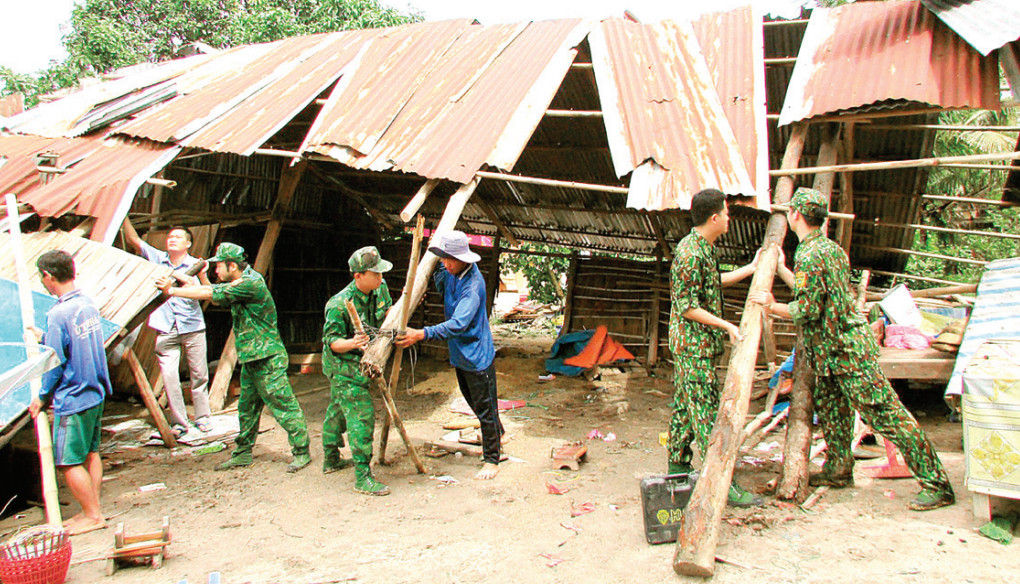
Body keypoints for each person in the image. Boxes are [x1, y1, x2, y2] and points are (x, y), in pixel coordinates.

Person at [750, 187, 955, 511]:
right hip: (831, 356)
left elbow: (807, 309)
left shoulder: (811, 254)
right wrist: (783, 270)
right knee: (834, 414)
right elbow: (813, 289)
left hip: (847, 354)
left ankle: (937, 484)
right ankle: (838, 470)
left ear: (795, 216)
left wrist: (772, 306)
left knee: (888, 416)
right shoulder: (830, 250)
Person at [157, 243, 311, 473]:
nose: (216, 270)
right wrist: (198, 278)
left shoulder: (250, 283)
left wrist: (172, 291)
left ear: (232, 265)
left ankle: (302, 452)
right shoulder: (240, 282)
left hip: (267, 358)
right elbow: (217, 295)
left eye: (218, 266)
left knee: (284, 406)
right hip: (252, 358)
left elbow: (211, 294)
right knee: (247, 410)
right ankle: (242, 453)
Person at [668, 188, 762, 507]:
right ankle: (722, 483)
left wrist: (750, 269)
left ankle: (677, 470)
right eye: (726, 213)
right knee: (706, 414)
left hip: (699, 348)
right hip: (692, 348)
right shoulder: (689, 253)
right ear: (714, 218)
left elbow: (712, 282)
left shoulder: (705, 248)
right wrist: (726, 325)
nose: (729, 218)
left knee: (684, 410)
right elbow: (687, 306)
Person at [396, 231, 504, 480]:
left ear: (464, 259)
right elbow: (439, 280)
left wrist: (421, 334)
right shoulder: (451, 272)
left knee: (485, 408)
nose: (445, 264)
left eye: (449, 259)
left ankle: (492, 460)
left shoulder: (473, 286)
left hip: (477, 356)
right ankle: (497, 435)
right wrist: (420, 287)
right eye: (443, 259)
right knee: (477, 403)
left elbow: (458, 324)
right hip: (460, 355)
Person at [28, 250, 112, 535]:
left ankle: (92, 515)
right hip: (95, 390)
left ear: (48, 276)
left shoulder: (57, 313)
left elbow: (54, 361)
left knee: (67, 461)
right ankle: (93, 509)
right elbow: (73, 342)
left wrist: (42, 397)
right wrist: (44, 336)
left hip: (74, 396)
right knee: (91, 452)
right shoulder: (86, 304)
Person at [121, 219, 211, 437]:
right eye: (170, 237)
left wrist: (200, 274)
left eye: (178, 237)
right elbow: (133, 240)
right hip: (165, 328)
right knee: (170, 378)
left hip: (192, 327)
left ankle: (203, 418)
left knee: (199, 375)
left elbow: (208, 292)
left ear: (188, 243)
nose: (172, 239)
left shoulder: (196, 264)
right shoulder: (157, 258)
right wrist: (122, 213)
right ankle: (180, 422)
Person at [321, 246, 394, 495]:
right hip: (342, 364)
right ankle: (363, 476)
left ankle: (330, 458)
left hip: (364, 358)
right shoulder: (339, 305)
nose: (381, 278)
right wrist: (353, 342)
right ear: (358, 276)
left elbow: (386, 313)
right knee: (361, 414)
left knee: (339, 408)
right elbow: (332, 342)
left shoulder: (379, 288)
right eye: (375, 273)